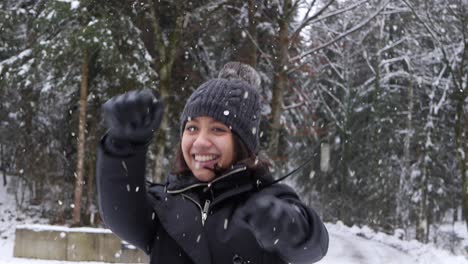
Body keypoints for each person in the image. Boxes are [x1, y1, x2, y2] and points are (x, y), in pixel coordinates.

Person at [96, 62, 329, 264]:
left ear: (242, 142)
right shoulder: (164, 204)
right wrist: (124, 146)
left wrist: (285, 224)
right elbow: (120, 212)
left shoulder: (270, 200)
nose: (200, 142)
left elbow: (313, 245)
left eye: (217, 129)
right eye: (192, 128)